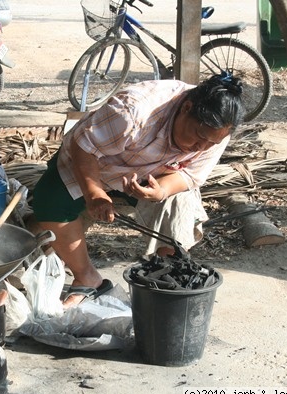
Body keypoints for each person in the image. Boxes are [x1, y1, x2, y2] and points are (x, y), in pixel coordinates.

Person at [31, 74, 245, 308]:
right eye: (199, 137)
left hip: (149, 176)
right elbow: (84, 146)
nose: (201, 148)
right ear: (186, 107)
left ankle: (165, 281)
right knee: (48, 202)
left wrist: (161, 191)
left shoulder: (217, 132)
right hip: (93, 165)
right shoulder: (133, 111)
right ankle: (87, 277)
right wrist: (94, 193)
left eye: (210, 144)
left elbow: (190, 175)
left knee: (180, 202)